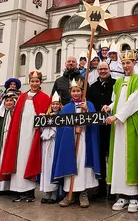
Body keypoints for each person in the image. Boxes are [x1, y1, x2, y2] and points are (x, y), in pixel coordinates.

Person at [102, 48, 138, 213]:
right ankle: (121, 194)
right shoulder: (119, 82)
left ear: (134, 63)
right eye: (123, 63)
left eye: (128, 62)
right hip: (119, 126)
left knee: (131, 156)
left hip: (130, 123)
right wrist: (110, 106)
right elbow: (117, 101)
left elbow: (132, 103)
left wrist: (116, 116)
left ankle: (134, 196)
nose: (126, 65)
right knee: (118, 157)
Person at [0, 71, 50, 202]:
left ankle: (29, 192)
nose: (34, 84)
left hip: (33, 134)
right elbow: (16, 116)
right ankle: (17, 190)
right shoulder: (22, 97)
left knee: (29, 158)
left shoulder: (45, 98)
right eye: (32, 81)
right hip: (20, 134)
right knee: (18, 159)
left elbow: (46, 116)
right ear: (29, 82)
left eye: (37, 81)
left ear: (41, 82)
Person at [52, 79, 101, 208]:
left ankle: (83, 193)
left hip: (85, 140)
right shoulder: (67, 107)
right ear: (70, 92)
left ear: (82, 92)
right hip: (71, 142)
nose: (76, 93)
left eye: (78, 91)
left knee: (82, 165)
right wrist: (74, 128)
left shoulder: (88, 104)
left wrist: (87, 111)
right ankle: (70, 194)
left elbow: (95, 122)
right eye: (73, 91)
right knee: (71, 164)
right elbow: (61, 127)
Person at [87, 61, 116, 198]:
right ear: (97, 71)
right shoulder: (93, 87)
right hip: (98, 127)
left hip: (113, 125)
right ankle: (101, 186)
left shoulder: (116, 84)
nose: (103, 71)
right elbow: (89, 104)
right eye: (101, 69)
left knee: (112, 156)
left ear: (109, 69)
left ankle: (112, 186)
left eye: (105, 69)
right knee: (99, 156)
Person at [39, 92, 62, 204]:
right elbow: (41, 129)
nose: (55, 106)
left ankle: (54, 193)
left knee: (52, 167)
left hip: (54, 143)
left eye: (57, 104)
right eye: (53, 104)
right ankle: (47, 192)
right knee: (45, 168)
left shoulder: (62, 116)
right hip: (45, 144)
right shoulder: (46, 115)